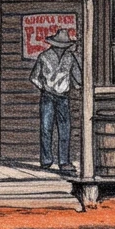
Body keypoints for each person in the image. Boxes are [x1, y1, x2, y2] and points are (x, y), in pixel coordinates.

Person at [30, 27, 82, 172]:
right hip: (47, 96)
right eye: (60, 45)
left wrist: (77, 86)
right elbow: (34, 77)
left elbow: (78, 78)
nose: (61, 48)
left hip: (63, 97)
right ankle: (46, 160)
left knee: (64, 130)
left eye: (64, 46)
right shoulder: (44, 57)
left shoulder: (70, 58)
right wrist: (44, 87)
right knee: (46, 129)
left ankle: (64, 162)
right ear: (53, 44)